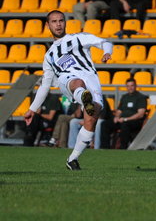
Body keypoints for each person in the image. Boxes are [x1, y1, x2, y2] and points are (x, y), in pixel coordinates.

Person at [24, 10, 112, 170]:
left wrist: (107, 52)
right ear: (48, 25)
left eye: (61, 20)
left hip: (91, 80)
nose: (58, 24)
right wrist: (32, 108)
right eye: (54, 21)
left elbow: (105, 42)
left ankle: (72, 159)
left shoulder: (78, 37)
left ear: (65, 22)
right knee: (77, 82)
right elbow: (45, 85)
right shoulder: (49, 56)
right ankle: (83, 97)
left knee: (91, 120)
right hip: (69, 81)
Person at [112, 78, 148, 149]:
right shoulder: (124, 97)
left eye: (132, 86)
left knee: (125, 125)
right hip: (122, 120)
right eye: (128, 86)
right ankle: (104, 147)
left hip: (135, 121)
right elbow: (119, 111)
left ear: (135, 86)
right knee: (105, 124)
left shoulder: (141, 97)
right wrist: (116, 117)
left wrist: (126, 119)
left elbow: (140, 114)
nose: (130, 88)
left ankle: (123, 148)